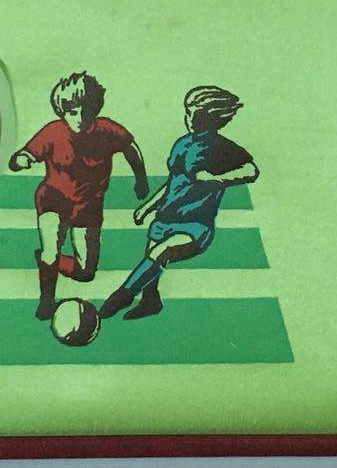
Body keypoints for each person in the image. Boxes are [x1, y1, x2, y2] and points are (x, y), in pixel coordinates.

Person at [100, 85, 259, 321]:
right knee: (151, 261)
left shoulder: (221, 146)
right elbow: (174, 181)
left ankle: (118, 299)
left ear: (215, 118)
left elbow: (251, 170)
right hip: (166, 217)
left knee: (159, 253)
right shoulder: (182, 144)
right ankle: (150, 302)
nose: (192, 119)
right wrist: (148, 206)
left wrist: (217, 179)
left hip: (195, 225)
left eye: (199, 115)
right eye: (189, 112)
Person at [8, 72, 149, 320]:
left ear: (96, 108)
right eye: (73, 112)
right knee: (51, 250)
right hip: (54, 199)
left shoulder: (107, 130)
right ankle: (46, 301)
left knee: (86, 272)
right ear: (62, 111)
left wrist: (141, 179)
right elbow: (26, 153)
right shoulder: (53, 132)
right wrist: (21, 160)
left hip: (89, 205)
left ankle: (47, 261)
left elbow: (131, 149)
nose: (80, 118)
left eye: (86, 111)